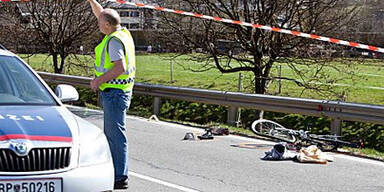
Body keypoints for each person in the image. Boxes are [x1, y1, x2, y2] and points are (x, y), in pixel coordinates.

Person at [87, 0, 136, 189]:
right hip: (119, 92)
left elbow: (120, 67)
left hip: (115, 94)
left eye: (100, 23)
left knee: (115, 136)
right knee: (113, 134)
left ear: (107, 25)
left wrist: (98, 81)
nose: (98, 24)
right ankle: (117, 173)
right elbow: (102, 13)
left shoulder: (114, 41)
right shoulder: (122, 32)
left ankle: (119, 177)